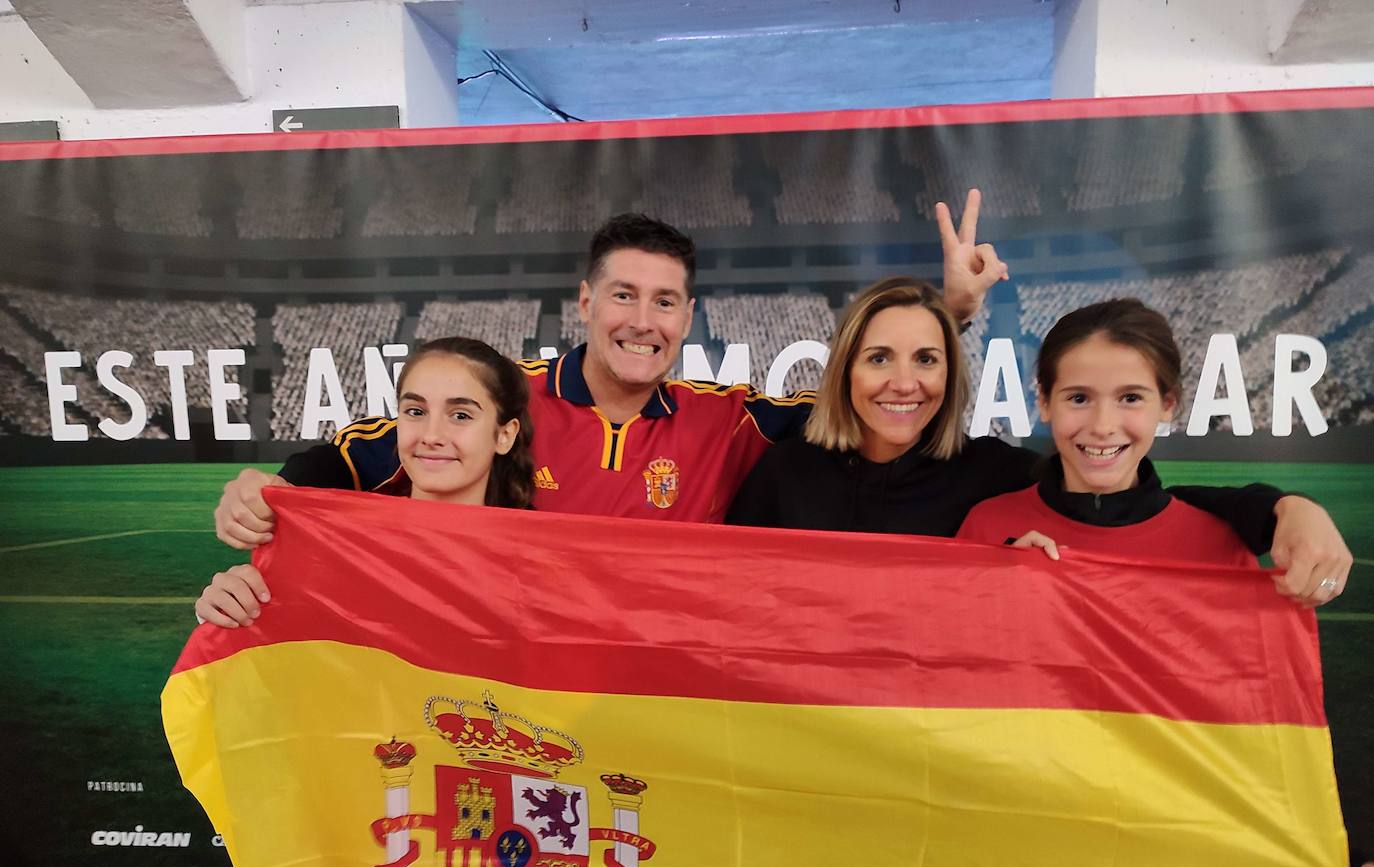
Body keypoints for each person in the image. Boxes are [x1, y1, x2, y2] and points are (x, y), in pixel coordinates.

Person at [211, 194, 1008, 536]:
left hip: (654, 704)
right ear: (585, 302)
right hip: (521, 696)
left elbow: (873, 398)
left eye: (665, 302)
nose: (643, 320)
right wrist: (271, 489)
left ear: (688, 318)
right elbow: (363, 455)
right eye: (624, 295)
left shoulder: (726, 420)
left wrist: (952, 310)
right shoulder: (501, 401)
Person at [955, 297, 1372, 867]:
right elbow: (945, 709)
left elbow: (1252, 729)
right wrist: (1003, 596)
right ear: (1042, 402)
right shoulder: (989, 525)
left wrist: (1330, 849)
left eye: (1130, 398)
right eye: (1077, 398)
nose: (1101, 425)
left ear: (1168, 405)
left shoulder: (1215, 539)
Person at [724, 277, 1352, 605]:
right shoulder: (788, 471)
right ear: (845, 371)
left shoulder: (988, 475)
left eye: (927, 359)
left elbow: (1119, 494)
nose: (904, 382)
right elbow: (716, 580)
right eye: (879, 358)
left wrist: (1284, 508)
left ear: (951, 374)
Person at [196, 337, 532, 627]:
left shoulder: (535, 560)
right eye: (415, 411)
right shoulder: (341, 544)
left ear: (505, 435)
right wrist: (232, 607)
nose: (431, 435)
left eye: (461, 415)